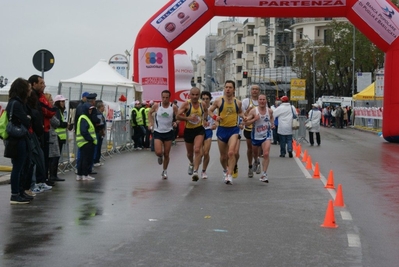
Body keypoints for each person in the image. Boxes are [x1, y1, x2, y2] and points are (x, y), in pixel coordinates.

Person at [208, 80, 244, 185]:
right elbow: (209, 111)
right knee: (223, 156)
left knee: (231, 152)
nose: (227, 89)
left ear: (234, 90)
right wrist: (215, 117)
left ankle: (229, 174)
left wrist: (244, 117)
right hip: (222, 129)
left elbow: (240, 112)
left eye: (230, 87)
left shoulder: (238, 102)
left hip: (233, 129)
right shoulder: (219, 101)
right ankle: (225, 169)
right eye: (226, 87)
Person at [5, 78, 33, 204]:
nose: (30, 90)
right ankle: (15, 194)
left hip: (18, 137)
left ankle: (20, 192)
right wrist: (27, 118)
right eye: (28, 88)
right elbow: (26, 121)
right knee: (18, 167)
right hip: (17, 138)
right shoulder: (16, 103)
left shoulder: (14, 102)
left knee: (21, 166)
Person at [28, 75, 56, 186]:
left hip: (42, 130)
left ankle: (41, 180)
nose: (43, 85)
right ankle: (35, 183)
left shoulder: (40, 96)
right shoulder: (35, 97)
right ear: (34, 84)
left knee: (42, 157)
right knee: (35, 159)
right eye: (41, 83)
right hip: (37, 131)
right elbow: (48, 111)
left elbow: (49, 111)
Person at [177, 87, 207, 182]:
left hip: (199, 129)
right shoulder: (186, 104)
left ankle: (195, 172)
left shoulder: (202, 104)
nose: (195, 96)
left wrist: (204, 119)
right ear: (190, 95)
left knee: (197, 149)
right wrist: (188, 118)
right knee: (190, 154)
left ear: (199, 95)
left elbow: (206, 111)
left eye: (197, 95)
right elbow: (177, 116)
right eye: (193, 95)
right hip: (188, 130)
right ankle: (191, 163)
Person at [148, 90, 179, 180]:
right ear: (161, 97)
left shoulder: (173, 107)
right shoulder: (157, 105)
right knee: (158, 152)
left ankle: (164, 171)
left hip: (168, 132)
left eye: (167, 97)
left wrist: (176, 122)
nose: (165, 99)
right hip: (158, 131)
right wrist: (151, 123)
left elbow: (179, 117)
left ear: (170, 98)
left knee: (166, 153)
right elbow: (149, 113)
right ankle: (159, 156)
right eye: (163, 97)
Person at [244, 94, 274, 182]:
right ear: (258, 101)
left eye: (263, 99)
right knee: (255, 154)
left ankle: (264, 174)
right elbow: (246, 123)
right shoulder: (254, 111)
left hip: (266, 135)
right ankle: (256, 161)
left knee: (265, 154)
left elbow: (271, 118)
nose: (262, 101)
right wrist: (254, 119)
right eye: (260, 99)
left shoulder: (270, 111)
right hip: (256, 136)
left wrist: (272, 124)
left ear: (266, 101)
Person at [241, 84, 260, 178]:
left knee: (257, 149)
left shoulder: (262, 101)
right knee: (250, 148)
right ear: (250, 91)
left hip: (259, 129)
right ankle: (250, 166)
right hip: (249, 128)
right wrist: (248, 111)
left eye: (256, 89)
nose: (254, 91)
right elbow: (242, 115)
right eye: (253, 89)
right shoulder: (246, 101)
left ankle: (256, 161)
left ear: (259, 91)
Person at [44, 93, 63, 182]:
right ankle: (50, 176)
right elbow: (57, 123)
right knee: (52, 158)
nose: (52, 102)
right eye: (50, 100)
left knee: (52, 157)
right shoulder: (50, 111)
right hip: (52, 136)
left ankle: (50, 176)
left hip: (53, 135)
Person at [76, 103, 97, 181]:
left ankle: (80, 174)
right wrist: (90, 139)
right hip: (86, 142)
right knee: (86, 159)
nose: (91, 111)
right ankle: (85, 174)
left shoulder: (84, 117)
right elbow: (84, 131)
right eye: (89, 109)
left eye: (91, 109)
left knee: (82, 159)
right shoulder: (84, 118)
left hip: (84, 142)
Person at [200, 91, 216, 179]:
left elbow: (217, 120)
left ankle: (203, 170)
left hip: (208, 131)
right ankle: (196, 161)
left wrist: (215, 125)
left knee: (206, 152)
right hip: (199, 131)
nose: (205, 101)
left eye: (207, 99)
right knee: (200, 153)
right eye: (203, 99)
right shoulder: (198, 108)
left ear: (210, 99)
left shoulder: (213, 109)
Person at [52, 95, 68, 179]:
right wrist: (66, 124)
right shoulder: (57, 110)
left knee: (56, 157)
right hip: (57, 137)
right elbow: (58, 123)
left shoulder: (59, 111)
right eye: (61, 101)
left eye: (64, 101)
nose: (63, 103)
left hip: (60, 137)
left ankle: (54, 175)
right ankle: (53, 175)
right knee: (55, 157)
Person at [93, 101, 106, 166]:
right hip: (98, 132)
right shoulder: (98, 114)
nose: (104, 108)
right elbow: (99, 124)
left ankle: (97, 160)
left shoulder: (100, 113)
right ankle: (95, 160)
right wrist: (102, 131)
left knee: (99, 147)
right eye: (103, 106)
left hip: (99, 132)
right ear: (100, 107)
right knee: (97, 147)